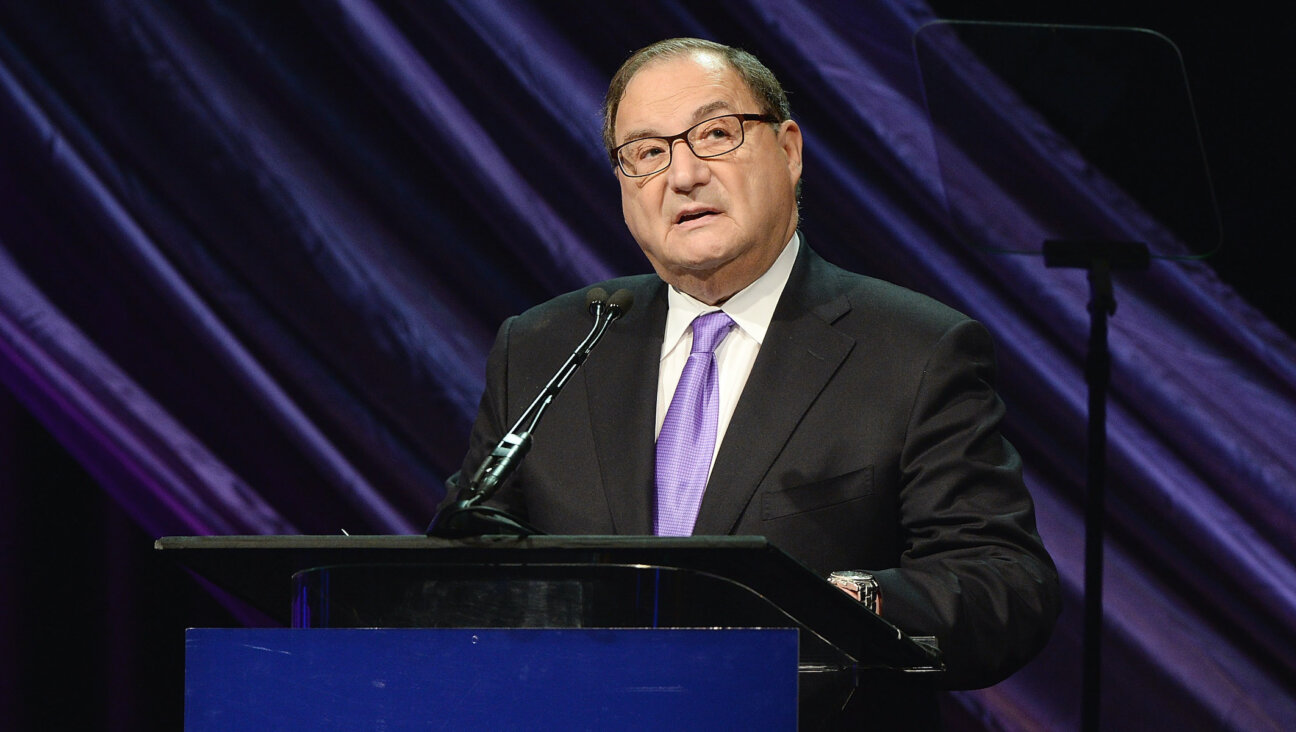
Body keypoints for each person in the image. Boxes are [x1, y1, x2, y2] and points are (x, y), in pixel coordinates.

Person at [441, 37, 1059, 726]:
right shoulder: (546, 346)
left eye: (714, 134)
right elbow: (465, 570)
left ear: (788, 150)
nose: (682, 175)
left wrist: (847, 604)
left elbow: (1003, 585)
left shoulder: (914, 350)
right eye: (646, 152)